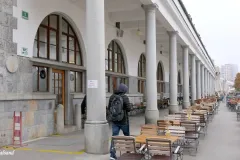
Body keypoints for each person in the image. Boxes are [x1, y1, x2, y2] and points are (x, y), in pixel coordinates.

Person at [108, 83, 131, 160]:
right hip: (124, 121)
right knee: (127, 137)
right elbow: (129, 109)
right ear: (124, 90)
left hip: (114, 120)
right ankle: (128, 152)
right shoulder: (125, 97)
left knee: (114, 137)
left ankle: (112, 154)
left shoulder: (112, 97)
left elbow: (109, 108)